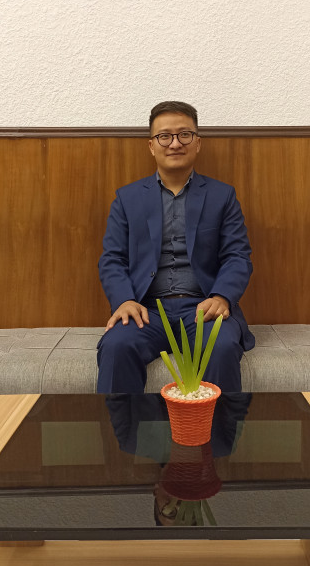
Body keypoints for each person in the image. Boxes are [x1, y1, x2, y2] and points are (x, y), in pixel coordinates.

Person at [96, 101, 255, 393]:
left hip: (202, 308)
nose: (175, 143)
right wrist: (124, 300)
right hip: (147, 310)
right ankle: (122, 426)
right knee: (117, 345)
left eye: (184, 135)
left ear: (197, 143)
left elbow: (237, 256)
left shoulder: (222, 196)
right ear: (151, 146)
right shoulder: (127, 198)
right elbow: (112, 259)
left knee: (221, 346)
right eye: (164, 136)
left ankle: (220, 426)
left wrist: (222, 296)